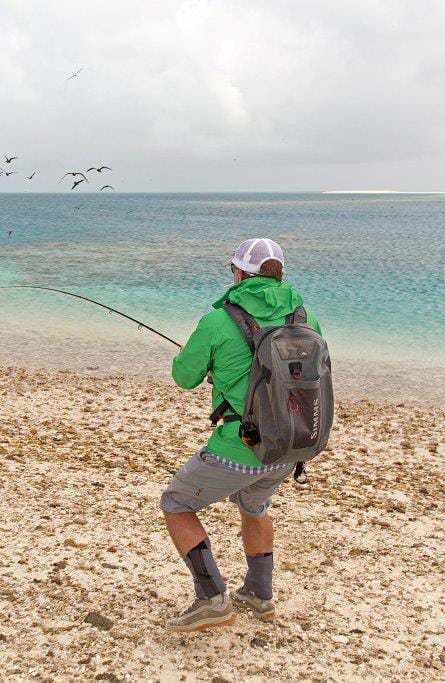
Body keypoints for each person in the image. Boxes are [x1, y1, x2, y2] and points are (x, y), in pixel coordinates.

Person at [160, 237, 323, 632]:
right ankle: (259, 594)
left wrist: (208, 359)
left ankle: (212, 598)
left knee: (176, 503)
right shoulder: (305, 318)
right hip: (292, 444)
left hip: (242, 446)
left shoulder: (219, 321)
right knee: (255, 507)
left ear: (239, 274)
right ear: (278, 274)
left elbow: (183, 376)